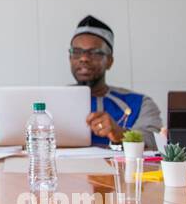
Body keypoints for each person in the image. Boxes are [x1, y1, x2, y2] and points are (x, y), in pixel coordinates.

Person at [69, 15, 163, 148]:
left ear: (109, 61)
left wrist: (121, 134)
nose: (84, 58)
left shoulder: (141, 103)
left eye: (94, 52)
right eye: (77, 52)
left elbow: (155, 142)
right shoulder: (50, 103)